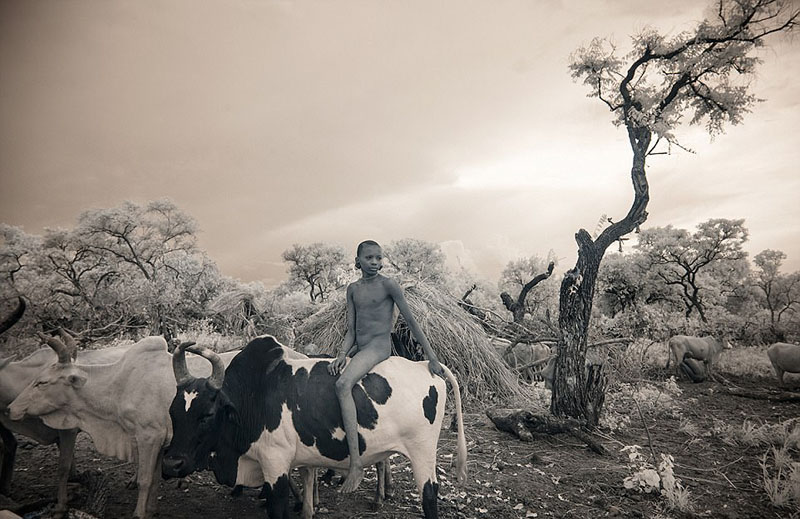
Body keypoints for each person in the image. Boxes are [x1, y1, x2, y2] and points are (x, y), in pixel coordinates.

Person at [327, 239, 444, 493]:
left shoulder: (388, 285)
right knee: (332, 375)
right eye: (369, 258)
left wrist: (432, 357)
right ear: (357, 260)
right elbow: (350, 330)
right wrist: (341, 354)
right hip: (360, 347)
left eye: (379, 258)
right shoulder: (353, 289)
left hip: (378, 347)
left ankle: (356, 463)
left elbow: (412, 322)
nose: (375, 263)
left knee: (343, 384)